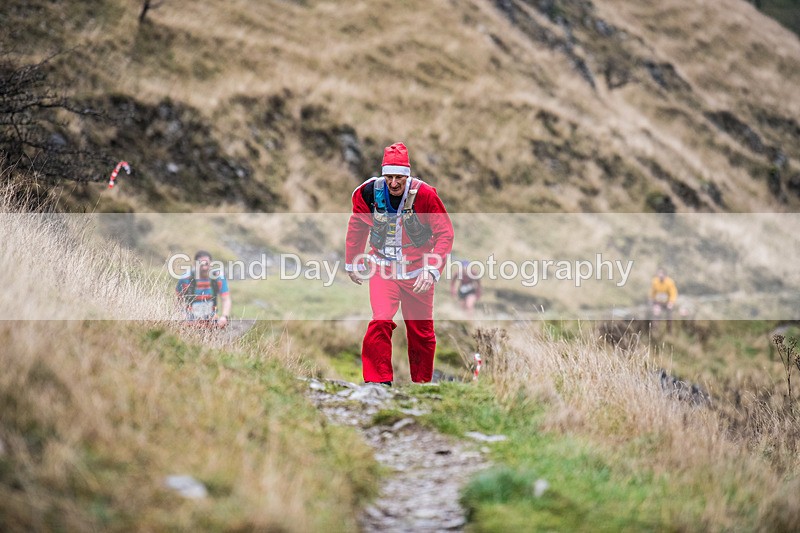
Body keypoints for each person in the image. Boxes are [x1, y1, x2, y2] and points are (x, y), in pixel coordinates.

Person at [346, 142, 454, 385]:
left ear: (408, 175)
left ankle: (422, 385)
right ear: (382, 174)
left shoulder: (425, 195)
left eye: (399, 178)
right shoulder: (367, 193)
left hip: (418, 272)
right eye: (389, 177)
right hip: (383, 268)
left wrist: (432, 269)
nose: (393, 183)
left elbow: (445, 234)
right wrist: (352, 262)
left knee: (422, 333)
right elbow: (357, 226)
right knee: (381, 320)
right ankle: (378, 382)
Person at [176, 250, 231, 328]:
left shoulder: (218, 278)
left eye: (206, 264)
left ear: (211, 264)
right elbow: (178, 301)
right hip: (190, 319)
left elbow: (226, 299)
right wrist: (182, 319)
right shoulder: (185, 279)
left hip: (211, 318)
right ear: (195, 265)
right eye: (201, 265)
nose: (204, 267)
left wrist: (224, 317)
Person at [649, 268, 677, 332]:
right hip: (658, 302)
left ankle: (669, 330)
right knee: (656, 312)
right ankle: (655, 330)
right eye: (659, 274)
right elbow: (652, 293)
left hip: (667, 302)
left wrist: (671, 302)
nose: (660, 276)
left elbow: (673, 293)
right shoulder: (655, 281)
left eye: (661, 274)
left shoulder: (670, 282)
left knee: (669, 315)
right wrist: (652, 300)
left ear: (665, 275)